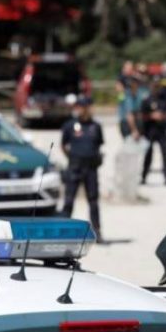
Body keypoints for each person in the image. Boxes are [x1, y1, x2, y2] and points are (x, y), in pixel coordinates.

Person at [60, 95, 105, 241]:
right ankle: (62, 231)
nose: (82, 110)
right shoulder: (69, 125)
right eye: (80, 107)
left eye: (85, 107)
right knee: (69, 200)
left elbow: (98, 145)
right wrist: (72, 157)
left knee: (93, 200)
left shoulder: (96, 126)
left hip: (90, 169)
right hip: (75, 167)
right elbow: (63, 145)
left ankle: (97, 231)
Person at [137, 82, 166, 185]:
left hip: (162, 131)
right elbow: (141, 116)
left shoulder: (164, 100)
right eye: (154, 86)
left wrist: (163, 116)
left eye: (157, 87)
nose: (156, 89)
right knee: (148, 155)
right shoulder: (146, 100)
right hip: (150, 131)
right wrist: (151, 116)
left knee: (165, 154)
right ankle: (144, 177)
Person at [116, 61, 135, 138]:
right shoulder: (121, 77)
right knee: (127, 114)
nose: (131, 70)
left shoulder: (131, 77)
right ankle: (132, 130)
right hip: (125, 97)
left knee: (127, 114)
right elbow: (119, 88)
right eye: (129, 68)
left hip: (125, 96)